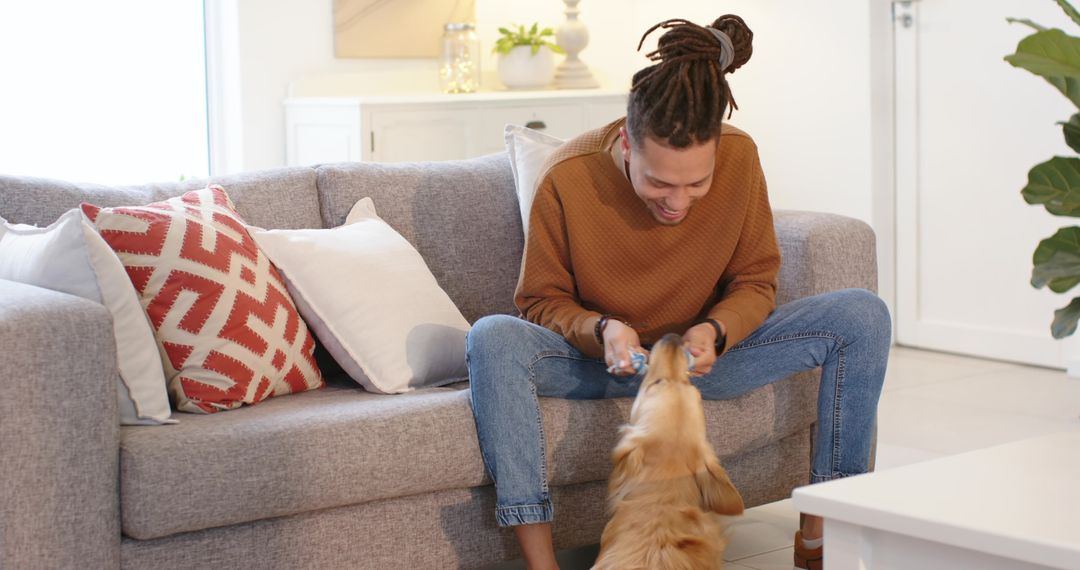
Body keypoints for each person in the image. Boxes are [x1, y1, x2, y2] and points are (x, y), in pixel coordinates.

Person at [467, 14, 890, 570]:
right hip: (605, 361)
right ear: (625, 144)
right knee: (493, 337)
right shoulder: (568, 177)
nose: (679, 202)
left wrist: (717, 329)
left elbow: (756, 280)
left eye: (698, 183)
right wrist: (601, 329)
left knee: (861, 315)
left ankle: (820, 537)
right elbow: (540, 302)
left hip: (700, 362)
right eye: (660, 183)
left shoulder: (740, 157)